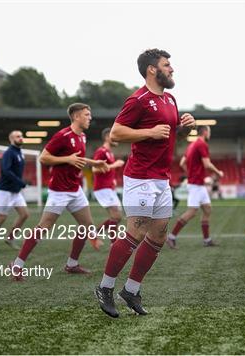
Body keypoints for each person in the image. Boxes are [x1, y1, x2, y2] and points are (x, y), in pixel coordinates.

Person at [94, 48, 195, 318]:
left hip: (162, 177)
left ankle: (131, 290)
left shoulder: (171, 99)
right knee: (135, 233)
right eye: (167, 64)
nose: (171, 68)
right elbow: (116, 132)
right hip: (140, 177)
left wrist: (185, 128)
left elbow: (172, 137)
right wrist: (148, 132)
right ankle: (105, 287)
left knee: (159, 234)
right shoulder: (138, 100)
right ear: (152, 69)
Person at [9, 103, 109, 280]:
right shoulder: (62, 136)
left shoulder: (83, 137)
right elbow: (43, 158)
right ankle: (16, 265)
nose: (90, 118)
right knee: (43, 228)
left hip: (75, 189)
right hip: (59, 191)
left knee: (87, 227)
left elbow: (77, 158)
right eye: (87, 115)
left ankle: (72, 264)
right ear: (76, 117)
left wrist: (94, 163)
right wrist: (67, 159)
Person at [167, 125, 223, 248]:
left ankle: (207, 240)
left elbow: (182, 163)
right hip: (196, 185)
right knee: (192, 212)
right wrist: (218, 173)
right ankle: (171, 237)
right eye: (209, 132)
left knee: (207, 209)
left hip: (198, 184)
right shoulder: (202, 144)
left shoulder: (191, 145)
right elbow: (207, 164)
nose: (210, 135)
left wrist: (191, 174)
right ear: (205, 132)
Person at [0, 130, 29, 253]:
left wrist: (19, 183)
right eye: (17, 136)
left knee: (24, 214)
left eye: (21, 136)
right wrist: (20, 182)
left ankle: (10, 238)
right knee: (2, 217)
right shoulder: (9, 153)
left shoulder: (20, 152)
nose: (20, 138)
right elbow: (6, 170)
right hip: (5, 191)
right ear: (11, 139)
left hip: (15, 191)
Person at [92, 128, 125, 243]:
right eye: (114, 136)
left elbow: (106, 170)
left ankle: (95, 233)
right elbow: (94, 169)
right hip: (102, 188)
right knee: (115, 216)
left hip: (108, 187)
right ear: (107, 137)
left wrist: (113, 180)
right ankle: (114, 244)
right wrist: (114, 165)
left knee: (118, 216)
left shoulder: (109, 152)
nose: (117, 139)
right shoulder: (101, 151)